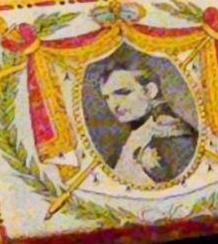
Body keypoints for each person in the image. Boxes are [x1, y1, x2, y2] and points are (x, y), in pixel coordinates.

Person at [85, 51, 199, 186]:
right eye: (107, 97)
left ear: (150, 91)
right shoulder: (132, 137)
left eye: (123, 93)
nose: (114, 104)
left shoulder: (172, 136)